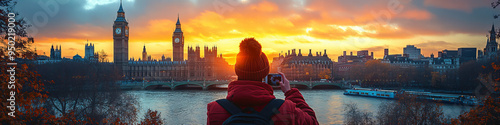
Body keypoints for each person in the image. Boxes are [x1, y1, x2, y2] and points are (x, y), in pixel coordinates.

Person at [207, 38, 319, 125]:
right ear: (265, 73)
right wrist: (290, 93)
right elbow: (313, 122)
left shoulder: (215, 110)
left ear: (236, 70)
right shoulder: (286, 110)